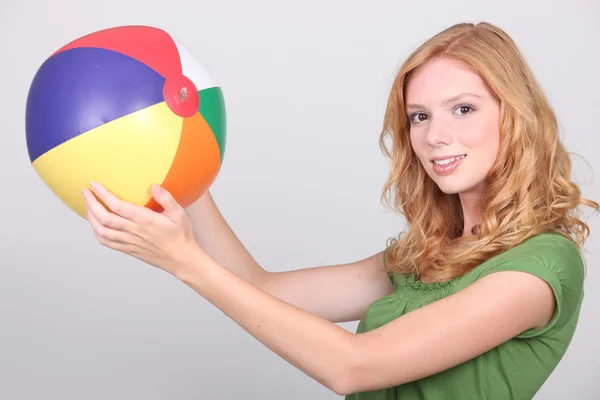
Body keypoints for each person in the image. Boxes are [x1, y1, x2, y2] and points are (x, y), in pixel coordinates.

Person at [80, 21, 598, 399]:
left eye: (464, 108)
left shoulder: (542, 266)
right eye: (419, 116)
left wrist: (183, 261)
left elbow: (354, 366)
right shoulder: (427, 253)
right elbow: (265, 290)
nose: (436, 136)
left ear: (516, 117)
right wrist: (186, 169)